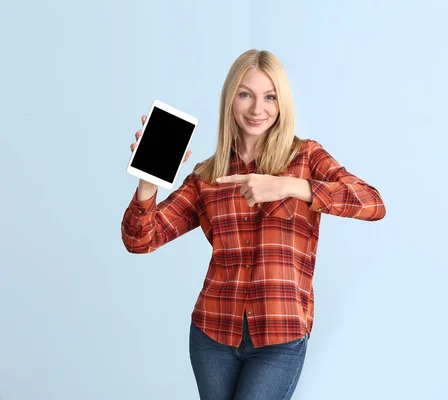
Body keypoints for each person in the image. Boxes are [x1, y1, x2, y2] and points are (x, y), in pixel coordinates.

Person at [121, 49, 386, 400]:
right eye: (246, 94)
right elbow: (141, 240)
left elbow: (372, 202)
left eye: (270, 97)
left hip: (279, 335)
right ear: (231, 99)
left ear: (282, 103)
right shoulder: (207, 176)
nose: (257, 109)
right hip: (212, 334)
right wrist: (147, 183)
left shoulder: (305, 157)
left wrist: (289, 186)